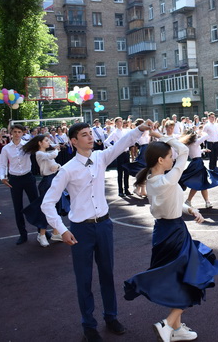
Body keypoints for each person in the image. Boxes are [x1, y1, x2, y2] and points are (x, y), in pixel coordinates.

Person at [41, 122, 145, 342]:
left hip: (104, 225)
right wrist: (62, 229)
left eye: (90, 133)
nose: (90, 137)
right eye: (84, 135)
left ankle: (111, 317)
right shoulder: (67, 169)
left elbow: (122, 144)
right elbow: (47, 203)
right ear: (73, 141)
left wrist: (140, 129)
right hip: (81, 229)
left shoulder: (100, 157)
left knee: (107, 274)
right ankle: (89, 325)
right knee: (84, 279)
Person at [123, 130, 218, 342]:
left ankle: (176, 328)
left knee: (178, 278)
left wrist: (190, 209)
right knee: (194, 276)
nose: (173, 159)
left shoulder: (153, 180)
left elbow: (171, 203)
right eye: (169, 157)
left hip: (164, 231)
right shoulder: (166, 180)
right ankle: (167, 324)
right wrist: (161, 135)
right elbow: (184, 150)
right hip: (174, 233)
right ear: (160, 160)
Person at [0, 124, 39, 245]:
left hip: (28, 177)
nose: (17, 134)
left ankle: (41, 230)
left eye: (19, 132)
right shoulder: (6, 148)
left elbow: (40, 149)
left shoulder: (27, 145)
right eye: (15, 131)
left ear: (22, 133)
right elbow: (2, 164)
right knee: (18, 207)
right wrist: (2, 177)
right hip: (15, 179)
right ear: (11, 133)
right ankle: (23, 234)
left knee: (35, 204)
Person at [21, 134, 64, 247]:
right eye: (46, 140)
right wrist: (56, 149)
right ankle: (42, 235)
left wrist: (58, 166)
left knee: (56, 207)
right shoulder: (39, 153)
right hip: (47, 182)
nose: (48, 142)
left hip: (54, 179)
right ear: (40, 143)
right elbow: (53, 155)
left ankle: (55, 233)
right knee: (45, 209)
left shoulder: (46, 153)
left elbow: (57, 166)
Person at [106, 117, 132, 197]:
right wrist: (114, 148)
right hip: (120, 154)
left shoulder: (125, 131)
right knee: (120, 172)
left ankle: (126, 189)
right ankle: (120, 190)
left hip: (126, 153)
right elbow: (106, 142)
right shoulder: (114, 132)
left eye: (121, 121)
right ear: (116, 123)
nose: (121, 123)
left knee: (127, 171)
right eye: (119, 121)